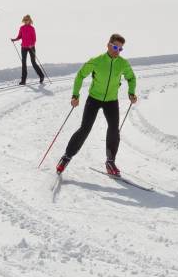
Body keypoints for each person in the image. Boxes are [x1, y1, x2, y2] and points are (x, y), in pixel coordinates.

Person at [56, 33, 137, 177]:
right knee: (85, 129)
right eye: (114, 47)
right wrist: (75, 95)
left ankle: (110, 161)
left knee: (114, 130)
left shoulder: (123, 64)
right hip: (94, 99)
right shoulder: (97, 61)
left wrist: (131, 93)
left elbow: (131, 77)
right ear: (108, 45)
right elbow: (80, 75)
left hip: (111, 101)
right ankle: (66, 157)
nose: (116, 50)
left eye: (120, 49)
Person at [12, 14, 45, 85]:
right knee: (24, 64)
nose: (26, 21)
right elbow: (19, 36)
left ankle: (41, 76)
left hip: (31, 47)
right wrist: (14, 39)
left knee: (33, 63)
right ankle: (23, 80)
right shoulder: (22, 28)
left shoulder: (32, 28)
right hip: (23, 47)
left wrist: (32, 45)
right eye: (25, 20)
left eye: (27, 20)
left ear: (30, 20)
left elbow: (34, 39)